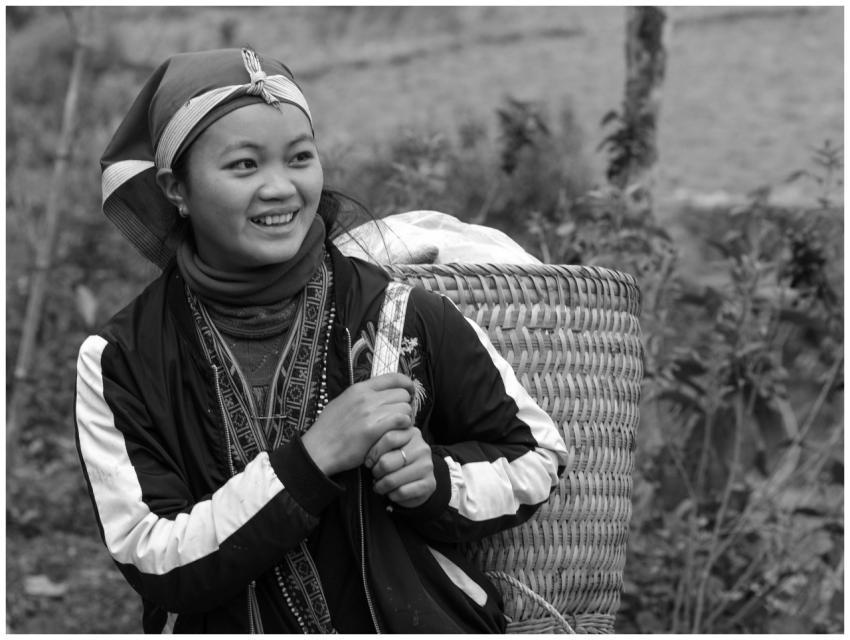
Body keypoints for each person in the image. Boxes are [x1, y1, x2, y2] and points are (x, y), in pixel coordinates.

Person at [75, 47, 569, 634]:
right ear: (175, 187)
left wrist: (436, 480)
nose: (281, 188)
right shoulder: (122, 360)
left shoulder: (401, 315)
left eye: (300, 158)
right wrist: (313, 459)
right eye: (243, 165)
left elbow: (537, 457)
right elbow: (153, 556)